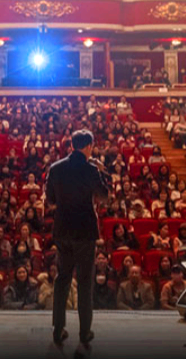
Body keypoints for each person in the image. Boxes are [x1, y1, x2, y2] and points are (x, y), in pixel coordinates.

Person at [45, 129, 110, 345]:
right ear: (89, 146)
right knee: (84, 281)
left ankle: (58, 328)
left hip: (63, 230)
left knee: (62, 279)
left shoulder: (55, 168)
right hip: (84, 231)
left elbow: (51, 200)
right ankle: (84, 332)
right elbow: (104, 197)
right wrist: (102, 172)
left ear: (72, 145)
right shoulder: (92, 169)